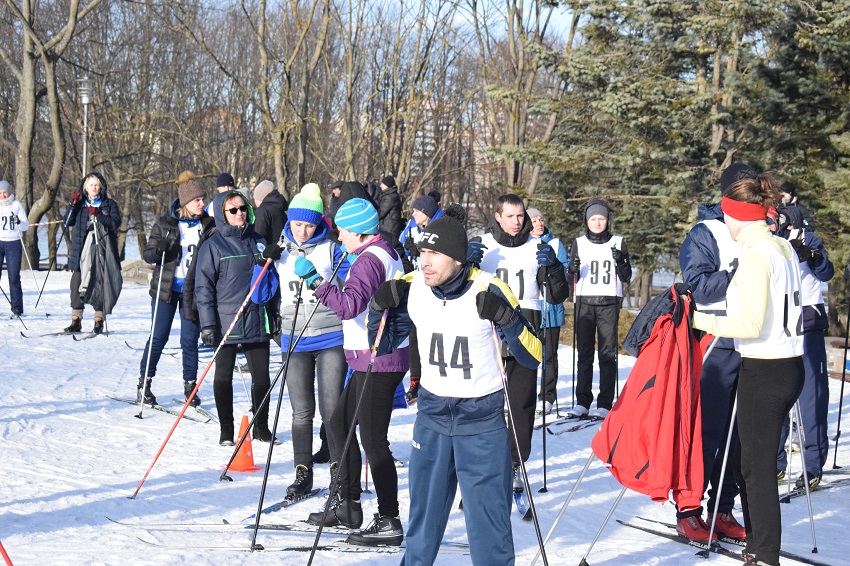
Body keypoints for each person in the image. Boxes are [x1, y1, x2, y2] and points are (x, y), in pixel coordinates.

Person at [367, 214, 542, 565]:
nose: (425, 261)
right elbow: (380, 346)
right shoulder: (413, 286)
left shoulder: (490, 288)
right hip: (431, 418)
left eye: (435, 254)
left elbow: (533, 354)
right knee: (422, 527)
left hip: (481, 422)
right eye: (422, 252)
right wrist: (377, 306)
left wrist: (507, 319)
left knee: (489, 530)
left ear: (458, 260)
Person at [692, 172, 805, 566]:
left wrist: (699, 320)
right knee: (746, 462)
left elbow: (750, 324)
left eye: (726, 216)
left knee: (756, 471)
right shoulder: (780, 246)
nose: (724, 223)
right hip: (787, 365)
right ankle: (757, 543)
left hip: (766, 368)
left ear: (738, 216)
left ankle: (765, 555)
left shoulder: (756, 254)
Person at [303, 197, 410, 546]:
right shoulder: (382, 252)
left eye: (342, 231)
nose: (339, 238)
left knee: (373, 440)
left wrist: (316, 282)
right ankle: (348, 506)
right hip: (373, 356)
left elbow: (348, 306)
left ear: (358, 231)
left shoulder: (369, 259)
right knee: (339, 424)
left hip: (378, 357)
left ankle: (389, 518)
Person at [676, 163, 755, 542]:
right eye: (743, 191)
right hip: (716, 341)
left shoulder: (762, 231)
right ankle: (688, 508)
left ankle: (722, 508)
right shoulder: (706, 232)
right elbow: (699, 285)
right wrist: (738, 274)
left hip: (753, 342)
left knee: (739, 435)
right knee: (706, 430)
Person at [475, 194, 569, 488]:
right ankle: (485, 464)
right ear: (498, 217)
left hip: (526, 327)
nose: (517, 222)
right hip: (487, 329)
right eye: (510, 216)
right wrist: (465, 262)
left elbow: (557, 296)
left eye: (520, 216)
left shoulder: (537, 247)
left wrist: (554, 269)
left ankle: (515, 464)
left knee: (521, 403)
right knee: (486, 402)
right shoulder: (483, 245)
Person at [274, 183, 349, 497]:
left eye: (309, 225)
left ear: (318, 223)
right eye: (297, 224)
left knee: (331, 410)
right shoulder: (279, 251)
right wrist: (261, 264)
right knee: (301, 412)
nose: (303, 231)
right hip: (294, 339)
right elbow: (261, 294)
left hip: (330, 336)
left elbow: (351, 284)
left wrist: (321, 277)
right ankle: (302, 472)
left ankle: (339, 471)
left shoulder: (331, 249)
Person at [194, 189, 281, 446]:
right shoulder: (213, 245)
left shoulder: (258, 241)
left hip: (256, 317)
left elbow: (271, 280)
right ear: (222, 214)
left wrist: (275, 312)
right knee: (223, 376)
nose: (239, 213)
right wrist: (208, 324)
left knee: (261, 377)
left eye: (243, 208)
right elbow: (203, 288)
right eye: (233, 210)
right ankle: (226, 430)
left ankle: (261, 427)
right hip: (226, 321)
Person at [137, 172, 214, 407]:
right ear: (185, 202)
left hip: (193, 291)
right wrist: (159, 249)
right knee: (158, 337)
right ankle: (144, 383)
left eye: (203, 199)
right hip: (166, 290)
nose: (202, 203)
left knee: (189, 340)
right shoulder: (166, 223)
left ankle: (190, 386)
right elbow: (148, 254)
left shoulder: (208, 224)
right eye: (197, 200)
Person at [774, 204, 834, 488]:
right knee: (778, 396)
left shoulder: (807, 238)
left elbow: (826, 273)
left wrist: (814, 256)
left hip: (808, 322)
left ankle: (812, 466)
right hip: (779, 324)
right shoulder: (768, 242)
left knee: (811, 398)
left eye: (777, 220)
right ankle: (776, 462)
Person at [567, 198, 631, 419]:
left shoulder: (618, 242)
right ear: (586, 221)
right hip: (584, 302)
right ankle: (582, 401)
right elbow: (570, 278)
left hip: (608, 302)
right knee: (584, 354)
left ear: (607, 220)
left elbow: (626, 276)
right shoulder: (579, 243)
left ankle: (605, 402)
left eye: (601, 218)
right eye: (593, 218)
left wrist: (620, 261)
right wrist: (571, 269)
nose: (597, 222)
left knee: (607, 354)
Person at [398, 190, 444, 404]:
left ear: (427, 211)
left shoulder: (441, 227)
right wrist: (404, 254)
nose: (413, 214)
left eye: (417, 211)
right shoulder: (411, 228)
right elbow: (402, 249)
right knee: (414, 335)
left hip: (439, 290)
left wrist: (418, 252)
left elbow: (444, 255)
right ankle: (416, 381)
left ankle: (436, 379)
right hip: (417, 287)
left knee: (435, 335)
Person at [63, 172, 122, 334]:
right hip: (80, 250)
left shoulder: (109, 204)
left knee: (100, 285)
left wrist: (99, 215)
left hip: (102, 250)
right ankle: (76, 320)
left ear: (101, 187)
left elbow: (115, 223)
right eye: (91, 185)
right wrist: (72, 205)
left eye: (96, 185)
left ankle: (98, 320)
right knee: (76, 284)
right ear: (85, 188)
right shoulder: (80, 204)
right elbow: (68, 221)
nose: (94, 188)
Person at [527, 207, 569, 415]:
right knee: (526, 356)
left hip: (550, 308)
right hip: (529, 308)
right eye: (534, 220)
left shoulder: (555, 244)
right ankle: (524, 396)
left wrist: (555, 268)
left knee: (549, 356)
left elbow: (564, 272)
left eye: (541, 219)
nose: (539, 223)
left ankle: (547, 396)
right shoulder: (522, 246)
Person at [0, 180, 29, 317]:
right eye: (0, 193)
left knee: (14, 277)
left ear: (9, 192)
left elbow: (25, 226)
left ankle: (17, 308)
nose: (2, 195)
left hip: (13, 243)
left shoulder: (16, 205)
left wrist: (19, 222)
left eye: (4, 192)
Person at [252, 179, 289, 245]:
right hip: (281, 248)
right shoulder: (281, 209)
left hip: (268, 249)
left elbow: (258, 236)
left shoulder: (262, 211)